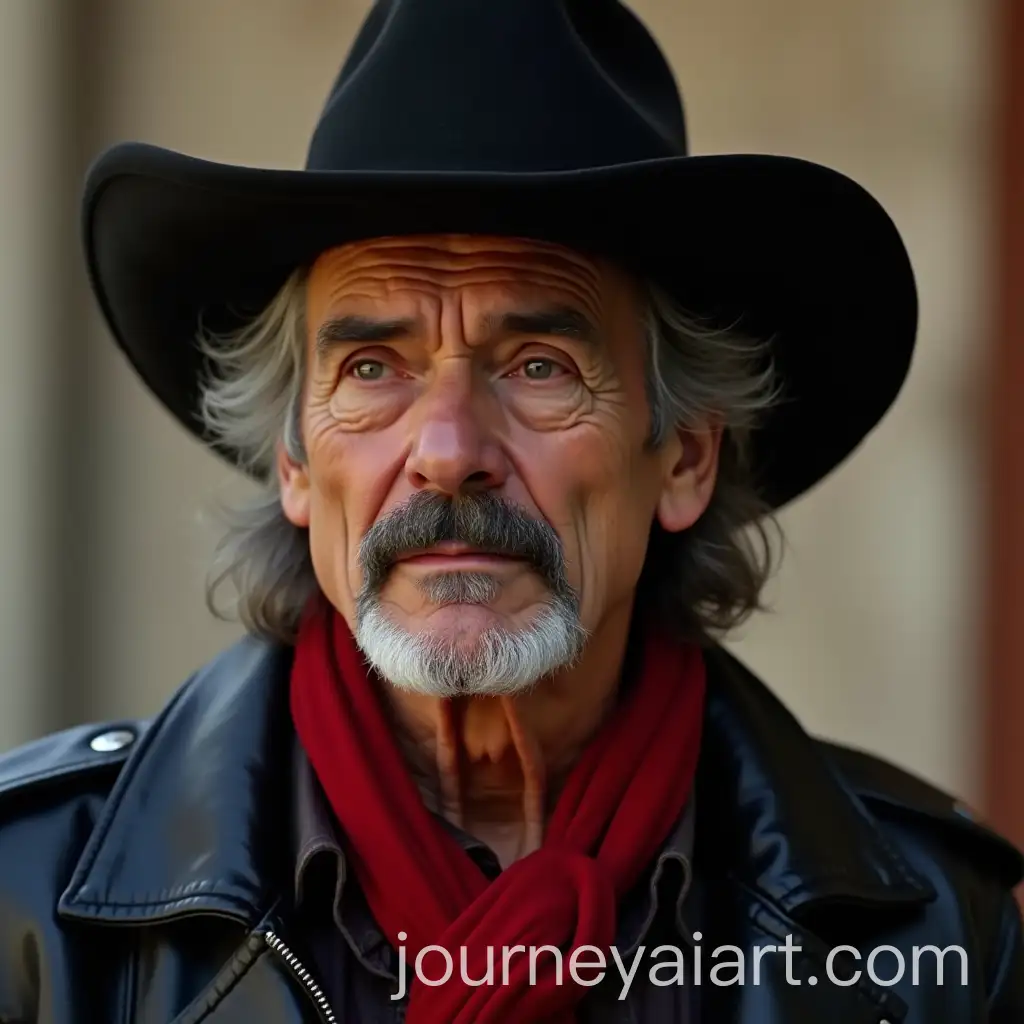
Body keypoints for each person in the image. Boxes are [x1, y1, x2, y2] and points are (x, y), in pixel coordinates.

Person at [1, 1, 1021, 1021]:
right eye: (371, 366)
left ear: (685, 458)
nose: (448, 453)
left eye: (539, 367)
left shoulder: (929, 936)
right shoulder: (31, 908)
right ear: (295, 462)